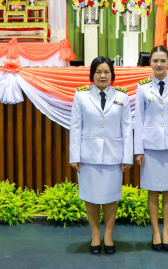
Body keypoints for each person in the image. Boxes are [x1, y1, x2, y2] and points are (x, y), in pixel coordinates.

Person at [69, 57, 133, 255]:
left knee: (111, 197)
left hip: (114, 156)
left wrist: (128, 157)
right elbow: (75, 127)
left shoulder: (122, 96)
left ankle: (109, 235)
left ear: (112, 74)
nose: (103, 75)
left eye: (106, 72)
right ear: (92, 75)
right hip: (88, 156)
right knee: (91, 197)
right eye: (98, 72)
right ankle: (95, 235)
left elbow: (127, 127)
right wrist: (74, 155)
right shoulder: (81, 96)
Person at [134, 46, 168, 252]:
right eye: (155, 60)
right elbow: (138, 120)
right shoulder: (142, 87)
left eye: (163, 61)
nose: (159, 64)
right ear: (150, 63)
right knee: (152, 191)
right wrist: (138, 150)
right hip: (150, 147)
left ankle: (166, 231)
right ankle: (155, 232)